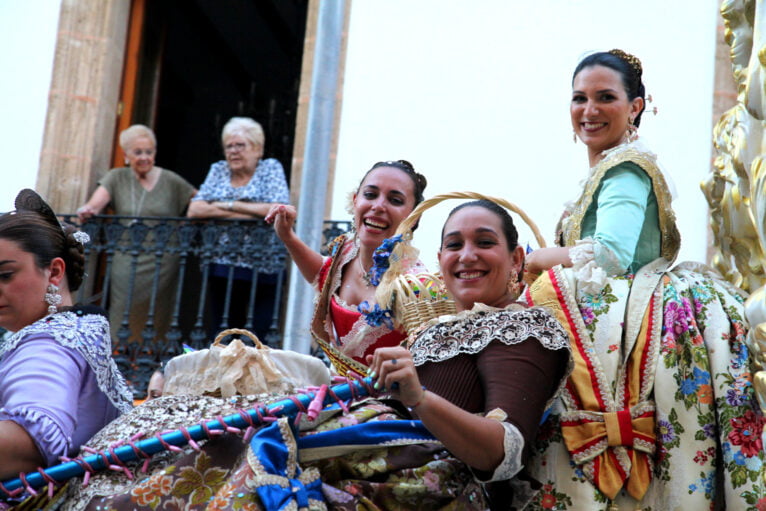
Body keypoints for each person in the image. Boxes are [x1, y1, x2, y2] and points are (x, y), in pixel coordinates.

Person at [53, 198, 570, 511]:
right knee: (184, 427)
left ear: (518, 258)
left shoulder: (523, 328)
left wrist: (417, 399)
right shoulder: (436, 325)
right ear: (439, 259)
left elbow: (503, 452)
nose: (467, 256)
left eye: (485, 243)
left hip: (422, 481)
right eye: (453, 245)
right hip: (366, 449)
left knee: (224, 451)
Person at [524, 49, 766, 509]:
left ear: (636, 106)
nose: (589, 110)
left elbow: (610, 255)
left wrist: (534, 259)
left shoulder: (626, 169)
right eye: (579, 98)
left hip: (631, 325)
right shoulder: (610, 167)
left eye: (605, 97)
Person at [0, 189, 132, 482]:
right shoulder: (73, 332)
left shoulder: (48, 343)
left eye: (5, 275)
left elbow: (31, 441)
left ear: (55, 272)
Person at [265, 159, 428, 371]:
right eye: (370, 195)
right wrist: (287, 235)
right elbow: (322, 274)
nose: (378, 206)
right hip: (337, 393)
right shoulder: (347, 251)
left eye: (395, 200)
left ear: (414, 217)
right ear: (355, 200)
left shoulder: (416, 286)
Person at [76, 124, 197, 348]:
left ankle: (150, 363)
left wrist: (185, 224)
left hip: (163, 262)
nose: (144, 157)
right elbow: (95, 203)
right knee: (123, 309)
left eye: (149, 152)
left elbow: (200, 202)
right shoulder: (116, 177)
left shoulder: (171, 181)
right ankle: (119, 360)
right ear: (126, 155)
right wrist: (88, 210)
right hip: (126, 258)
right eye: (138, 152)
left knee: (158, 311)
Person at [188, 117, 289, 342]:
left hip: (264, 265)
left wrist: (226, 204)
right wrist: (252, 212)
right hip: (221, 263)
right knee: (224, 332)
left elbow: (277, 209)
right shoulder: (219, 170)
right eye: (229, 146)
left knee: (257, 336)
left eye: (240, 145)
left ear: (257, 149)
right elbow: (195, 210)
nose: (233, 151)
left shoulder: (270, 169)